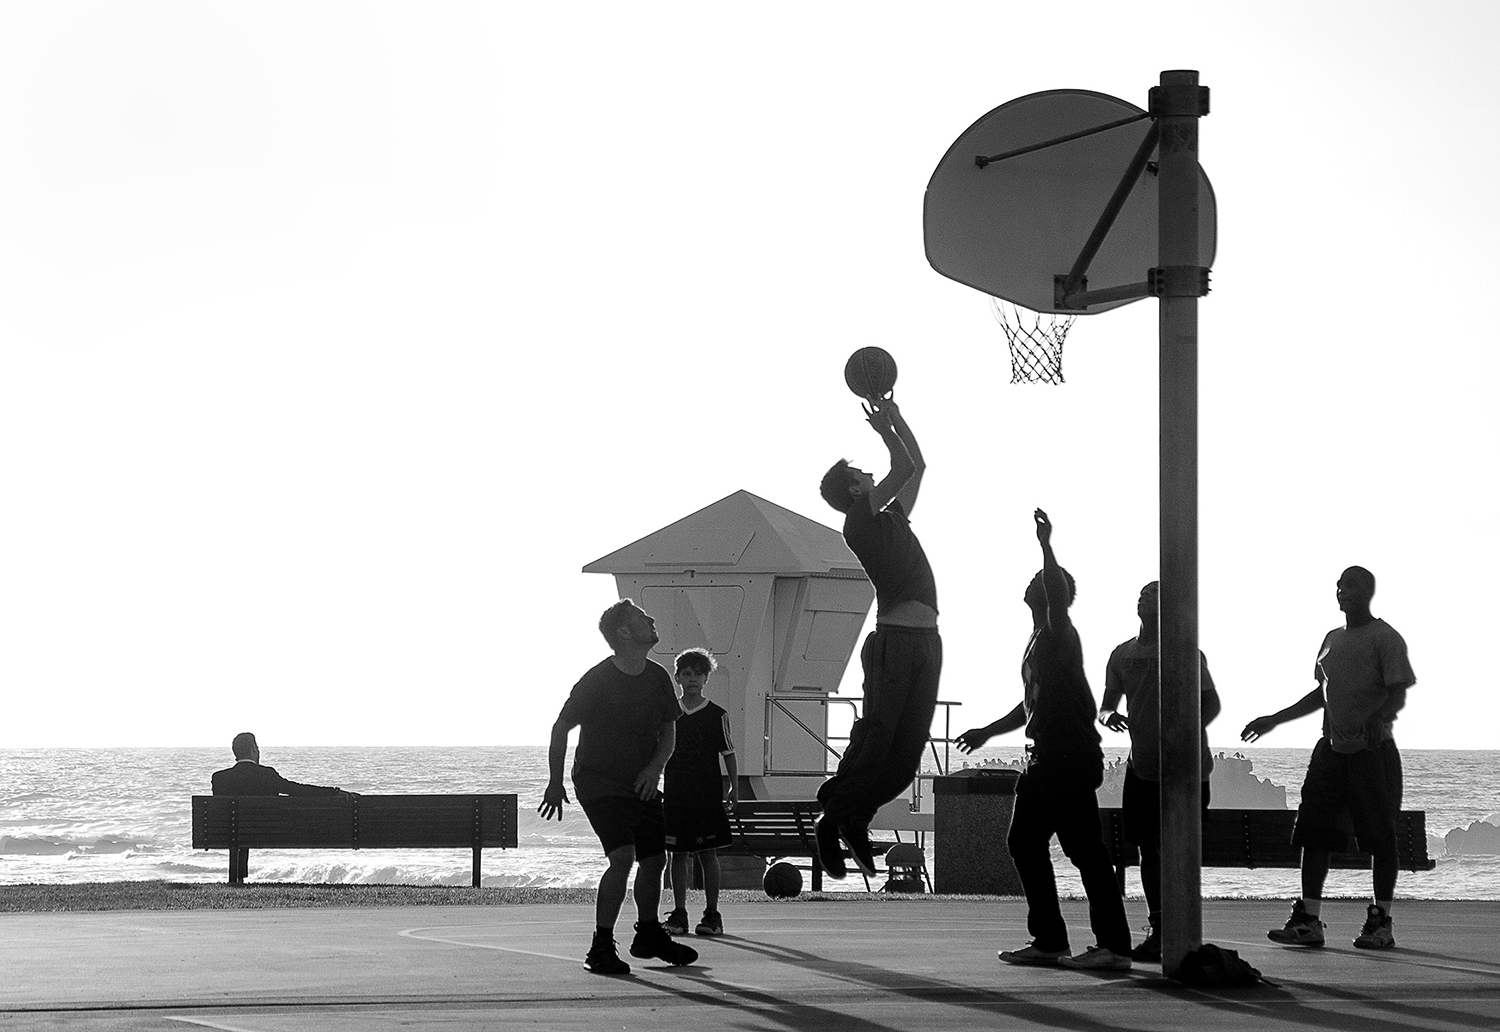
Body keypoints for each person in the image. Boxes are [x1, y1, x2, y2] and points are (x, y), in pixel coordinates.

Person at [955, 510, 1132, 971]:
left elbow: (1055, 589)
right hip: (1044, 759)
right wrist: (986, 732)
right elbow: (1029, 706)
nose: (1034, 583)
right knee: (1024, 842)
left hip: (1067, 757)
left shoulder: (1059, 633)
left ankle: (1113, 945)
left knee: (1085, 850)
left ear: (1054, 594)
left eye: (1043, 581)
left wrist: (1046, 545)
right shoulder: (1037, 641)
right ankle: (1050, 939)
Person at [1241, 566, 1415, 950]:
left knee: (1381, 838)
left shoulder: (1385, 638)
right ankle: (1309, 920)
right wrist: (1274, 719)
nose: (1342, 591)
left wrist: (1377, 717)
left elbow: (1397, 692)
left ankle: (1380, 921)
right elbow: (1320, 694)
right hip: (1330, 751)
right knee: (1313, 833)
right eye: (1339, 586)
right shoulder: (1331, 640)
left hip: (1372, 752)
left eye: (1350, 586)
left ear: (1368, 591)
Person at [815, 394, 941, 878]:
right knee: (878, 739)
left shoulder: (891, 518)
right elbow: (903, 464)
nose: (872, 475)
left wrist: (896, 417)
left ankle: (853, 818)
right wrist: (886, 429)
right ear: (853, 489)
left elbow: (917, 465)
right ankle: (835, 817)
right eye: (863, 474)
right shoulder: (859, 521)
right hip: (894, 644)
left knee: (906, 756)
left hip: (927, 642)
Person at [538, 600, 699, 975]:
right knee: (623, 858)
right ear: (624, 633)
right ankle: (600, 947)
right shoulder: (597, 680)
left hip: (640, 780)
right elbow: (561, 727)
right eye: (644, 618)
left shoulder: (658, 677)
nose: (653, 619)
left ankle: (648, 935)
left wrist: (654, 768)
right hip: (598, 780)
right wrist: (554, 780)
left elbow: (669, 731)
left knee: (655, 859)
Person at [1098, 580, 1222, 963]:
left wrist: (1183, 734)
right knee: (1146, 849)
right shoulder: (1122, 655)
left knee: (1178, 849)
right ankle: (1160, 925)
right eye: (1141, 594)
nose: (1144, 598)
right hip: (1142, 769)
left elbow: (1211, 705)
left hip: (1185, 771)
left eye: (1153, 594)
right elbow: (1104, 706)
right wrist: (1110, 716)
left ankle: (1182, 928)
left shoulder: (1184, 652)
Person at [661, 648, 738, 938]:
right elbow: (658, 751)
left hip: (706, 794)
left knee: (708, 854)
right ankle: (679, 914)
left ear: (707, 677)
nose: (692, 679)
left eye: (698, 674)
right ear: (678, 677)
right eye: (687, 673)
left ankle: (712, 914)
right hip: (676, 794)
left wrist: (732, 786)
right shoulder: (668, 714)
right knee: (676, 855)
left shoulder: (717, 715)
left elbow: (728, 753)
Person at [211, 732, 355, 882]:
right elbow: (297, 790)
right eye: (257, 748)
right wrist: (333, 792)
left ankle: (237, 879)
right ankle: (240, 878)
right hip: (268, 831)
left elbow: (220, 811)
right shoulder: (267, 775)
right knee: (244, 828)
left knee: (237, 827)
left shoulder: (219, 778)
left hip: (230, 833)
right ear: (254, 749)